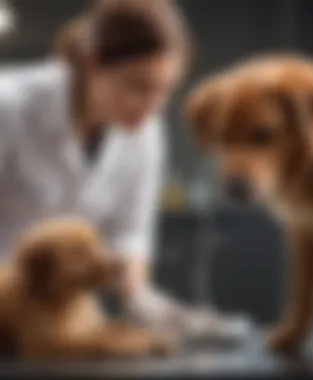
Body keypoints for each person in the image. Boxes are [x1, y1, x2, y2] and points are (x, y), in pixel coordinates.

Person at [0, 0, 248, 340]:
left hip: (65, 319)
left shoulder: (146, 129)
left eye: (165, 90)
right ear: (92, 65)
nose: (153, 106)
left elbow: (128, 235)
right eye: (138, 86)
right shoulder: (9, 105)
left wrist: (147, 307)